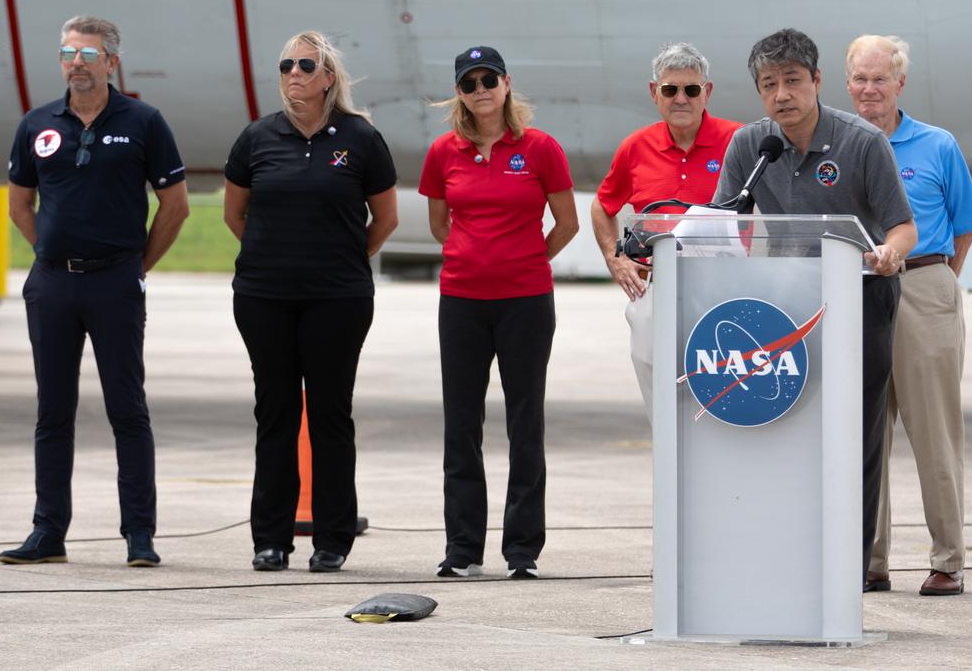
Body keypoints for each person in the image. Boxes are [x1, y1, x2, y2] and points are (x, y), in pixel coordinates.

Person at [713, 28, 916, 583]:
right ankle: (789, 554)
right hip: (785, 304)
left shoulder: (862, 142)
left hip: (862, 295)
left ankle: (849, 568)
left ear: (818, 81)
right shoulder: (751, 146)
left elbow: (902, 226)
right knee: (788, 424)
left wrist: (889, 255)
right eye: (769, 84)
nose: (782, 95)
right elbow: (722, 224)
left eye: (793, 81)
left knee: (857, 432)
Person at [1, 15, 190, 567]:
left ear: (112, 62)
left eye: (87, 54)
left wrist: (136, 266)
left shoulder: (144, 122)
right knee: (52, 412)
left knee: (127, 410)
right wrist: (51, 255)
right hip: (53, 284)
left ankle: (139, 535)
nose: (75, 63)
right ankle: (47, 532)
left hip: (116, 281)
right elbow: (19, 203)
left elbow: (175, 206)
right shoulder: (37, 124)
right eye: (67, 53)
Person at [224, 31, 398, 574]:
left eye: (306, 65)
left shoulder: (360, 138)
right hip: (264, 298)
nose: (294, 73)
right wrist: (275, 260)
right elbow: (235, 216)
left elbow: (385, 219)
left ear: (329, 78)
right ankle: (270, 540)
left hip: (338, 300)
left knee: (329, 415)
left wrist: (343, 261)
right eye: (285, 65)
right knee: (274, 413)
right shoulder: (257, 138)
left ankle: (332, 540)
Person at [419, 45, 579, 579]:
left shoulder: (539, 148)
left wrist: (528, 259)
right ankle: (463, 550)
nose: (481, 88)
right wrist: (476, 258)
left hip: (525, 302)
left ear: (507, 84)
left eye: (490, 78)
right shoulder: (444, 151)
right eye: (470, 82)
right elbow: (440, 225)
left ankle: (522, 552)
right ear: (459, 93)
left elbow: (567, 223)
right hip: (462, 301)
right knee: (460, 425)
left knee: (524, 422)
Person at [847, 34, 972, 597]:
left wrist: (936, 281)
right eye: (859, 78)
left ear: (900, 82)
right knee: (863, 431)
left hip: (924, 282)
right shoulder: (839, 144)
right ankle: (867, 559)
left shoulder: (937, 144)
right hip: (858, 290)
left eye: (880, 78)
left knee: (933, 431)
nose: (869, 89)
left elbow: (965, 226)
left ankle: (948, 559)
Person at [591, 42, 742, 421]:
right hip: (659, 284)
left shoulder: (738, 141)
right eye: (670, 89)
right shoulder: (636, 147)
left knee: (724, 392)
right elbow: (602, 206)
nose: (681, 99)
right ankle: (672, 466)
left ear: (706, 93)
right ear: (654, 92)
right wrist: (616, 259)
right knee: (660, 390)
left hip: (728, 285)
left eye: (691, 90)